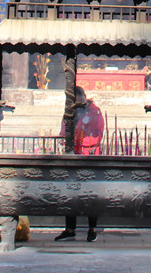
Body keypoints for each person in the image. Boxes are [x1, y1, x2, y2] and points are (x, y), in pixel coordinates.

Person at [55, 87, 103, 243]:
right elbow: (63, 130)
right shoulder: (70, 112)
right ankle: (70, 229)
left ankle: (92, 229)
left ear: (83, 97)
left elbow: (98, 132)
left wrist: (82, 142)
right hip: (72, 156)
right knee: (70, 194)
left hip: (89, 156)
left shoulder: (94, 111)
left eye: (77, 99)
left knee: (91, 194)